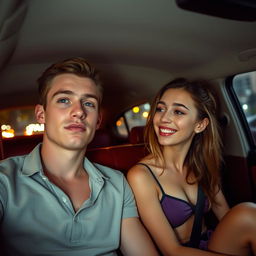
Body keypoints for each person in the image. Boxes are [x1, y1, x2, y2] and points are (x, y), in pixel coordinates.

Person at [0, 57, 159, 256]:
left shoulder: (117, 183)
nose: (78, 111)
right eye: (64, 100)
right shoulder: (4, 180)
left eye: (89, 103)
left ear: (98, 120)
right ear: (41, 114)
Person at [127, 78, 256, 256]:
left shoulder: (203, 166)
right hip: (181, 252)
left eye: (178, 112)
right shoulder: (141, 176)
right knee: (247, 211)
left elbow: (227, 218)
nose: (164, 118)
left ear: (200, 125)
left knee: (247, 213)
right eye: (160, 108)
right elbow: (171, 250)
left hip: (213, 243)